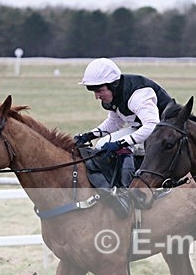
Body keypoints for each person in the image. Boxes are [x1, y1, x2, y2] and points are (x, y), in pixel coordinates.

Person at [74, 58, 173, 217]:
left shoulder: (138, 96)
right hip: (146, 129)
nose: (97, 96)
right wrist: (89, 135)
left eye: (99, 91)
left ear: (113, 85)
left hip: (164, 133)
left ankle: (127, 194)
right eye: (94, 91)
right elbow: (114, 122)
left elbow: (151, 126)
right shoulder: (116, 95)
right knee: (101, 145)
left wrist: (121, 143)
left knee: (122, 147)